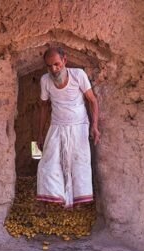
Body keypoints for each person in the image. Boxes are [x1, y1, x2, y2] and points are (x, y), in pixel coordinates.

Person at [36, 46, 100, 208]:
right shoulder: (45, 80)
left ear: (65, 60)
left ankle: (79, 202)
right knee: (48, 164)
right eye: (49, 66)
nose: (54, 69)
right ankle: (56, 199)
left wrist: (95, 126)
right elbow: (43, 107)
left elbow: (92, 100)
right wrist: (40, 134)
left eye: (57, 64)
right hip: (57, 125)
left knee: (79, 163)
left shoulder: (78, 75)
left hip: (79, 126)